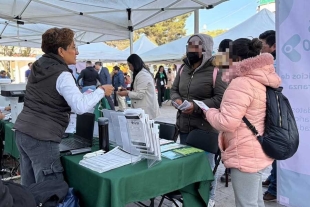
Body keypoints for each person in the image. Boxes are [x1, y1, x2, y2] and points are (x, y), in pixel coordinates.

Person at [13, 27, 114, 187]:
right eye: (73, 47)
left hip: (23, 132)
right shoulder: (62, 74)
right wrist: (101, 91)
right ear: (61, 51)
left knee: (30, 187)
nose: (77, 52)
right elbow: (80, 107)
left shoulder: (38, 66)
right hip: (42, 137)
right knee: (50, 191)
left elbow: (51, 97)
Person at [205, 38, 281, 207]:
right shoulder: (262, 78)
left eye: (227, 57)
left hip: (244, 151)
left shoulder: (241, 83)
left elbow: (227, 123)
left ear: (237, 59)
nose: (225, 60)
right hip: (257, 146)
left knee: (246, 204)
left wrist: (209, 112)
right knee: (255, 202)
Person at [170, 34, 227, 207]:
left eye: (196, 45)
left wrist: (195, 106)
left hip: (205, 129)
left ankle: (208, 198)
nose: (191, 49)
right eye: (189, 45)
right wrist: (177, 100)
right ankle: (188, 197)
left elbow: (221, 98)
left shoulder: (218, 68)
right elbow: (174, 90)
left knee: (206, 168)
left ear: (206, 48)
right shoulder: (182, 68)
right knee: (186, 165)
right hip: (184, 127)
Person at [259, 30, 277, 202]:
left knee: (276, 148)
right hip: (269, 113)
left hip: (275, 115)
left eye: (262, 45)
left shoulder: (275, 66)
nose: (259, 49)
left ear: (274, 46)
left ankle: (275, 187)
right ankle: (273, 179)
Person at [212, 38, 233, 183]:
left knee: (221, 142)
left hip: (220, 105)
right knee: (229, 142)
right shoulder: (234, 62)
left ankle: (223, 167)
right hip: (230, 105)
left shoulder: (217, 63)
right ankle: (228, 170)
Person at [117, 54, 159, 119]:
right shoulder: (140, 73)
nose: (129, 68)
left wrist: (127, 93)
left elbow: (140, 94)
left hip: (145, 110)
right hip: (142, 109)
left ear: (135, 64)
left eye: (129, 65)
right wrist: (126, 90)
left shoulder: (143, 75)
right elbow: (138, 90)